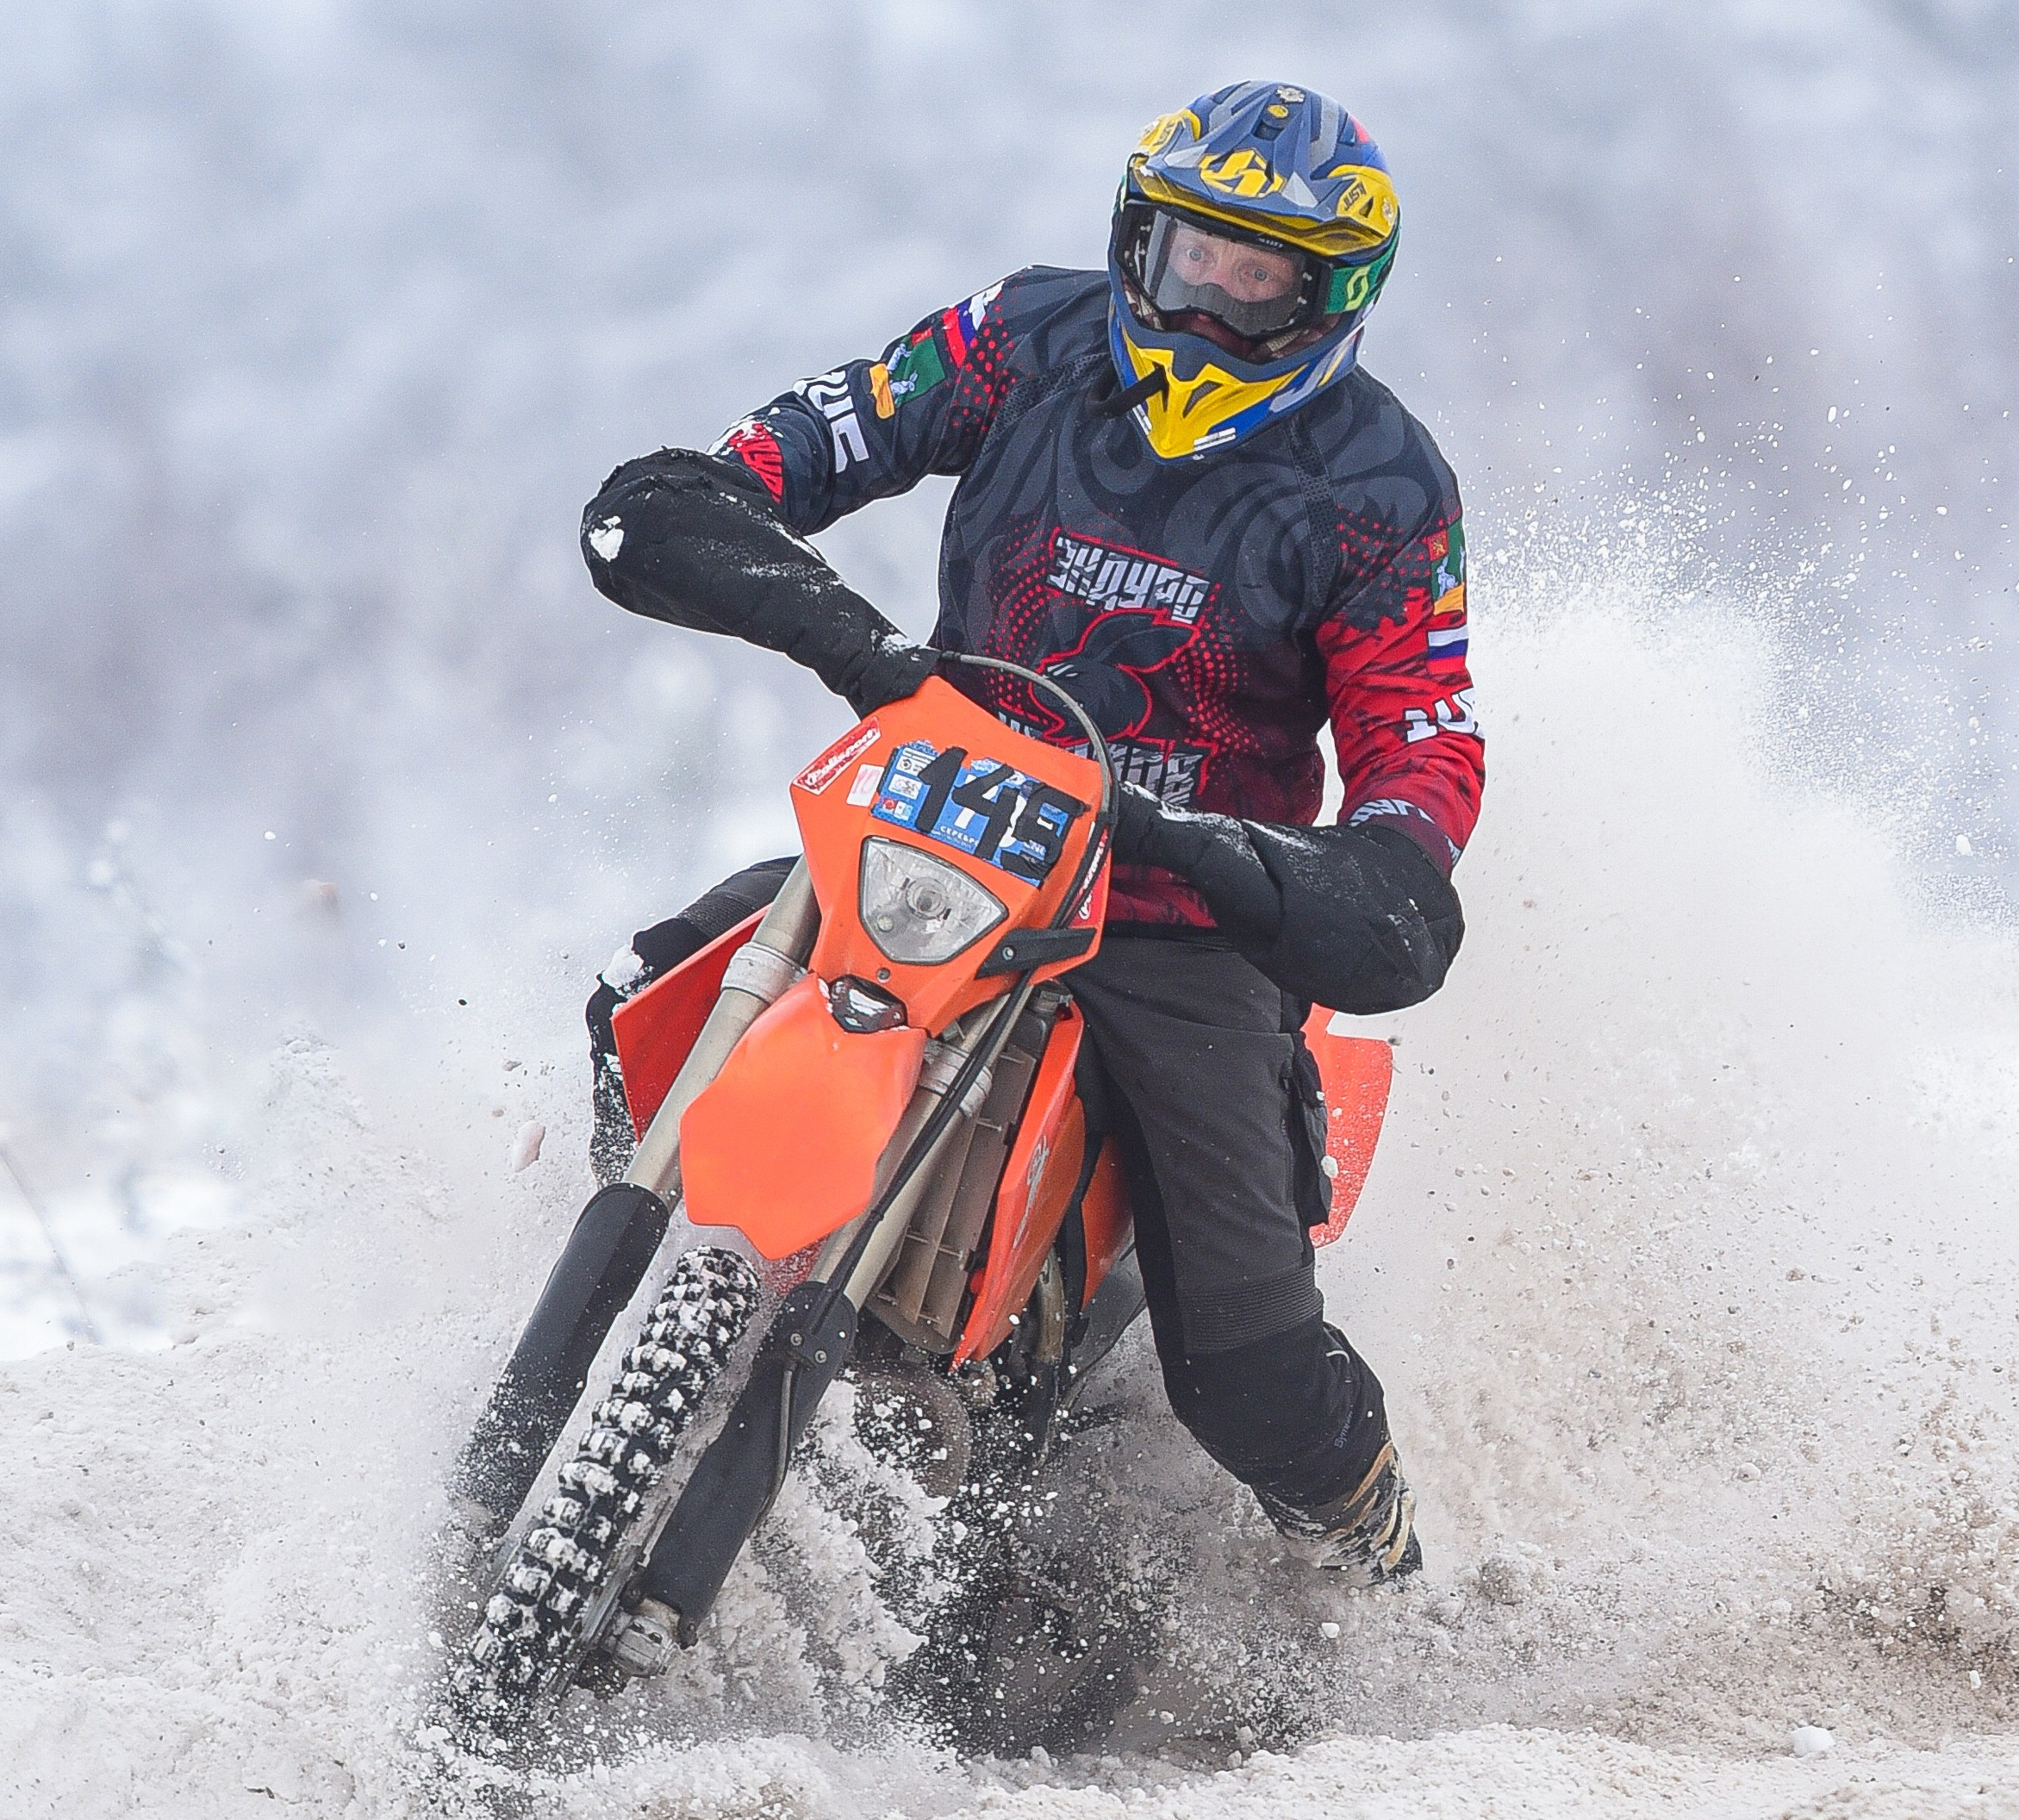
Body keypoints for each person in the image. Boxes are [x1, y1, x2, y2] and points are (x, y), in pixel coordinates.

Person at [578, 80, 1485, 1584]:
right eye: (1194, 253)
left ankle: (1380, 1568)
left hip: (1180, 912)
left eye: (1262, 278)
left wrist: (1379, 859)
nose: (1214, 294)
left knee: (1250, 1380)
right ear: (1142, 237)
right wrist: (827, 621)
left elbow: (1420, 732)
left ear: (1330, 299)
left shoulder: (1385, 483)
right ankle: (603, 1306)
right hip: (932, 831)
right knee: (635, 999)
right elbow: (742, 472)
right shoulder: (1022, 337)